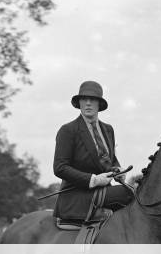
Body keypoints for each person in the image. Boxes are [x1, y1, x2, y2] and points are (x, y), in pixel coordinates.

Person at [52, 80, 141, 223]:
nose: (88, 103)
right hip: (77, 195)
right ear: (79, 103)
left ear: (99, 104)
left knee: (139, 194)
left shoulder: (108, 129)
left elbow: (109, 160)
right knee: (127, 194)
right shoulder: (67, 130)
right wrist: (93, 180)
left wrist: (118, 170)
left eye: (92, 100)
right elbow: (60, 168)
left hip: (104, 192)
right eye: (84, 99)